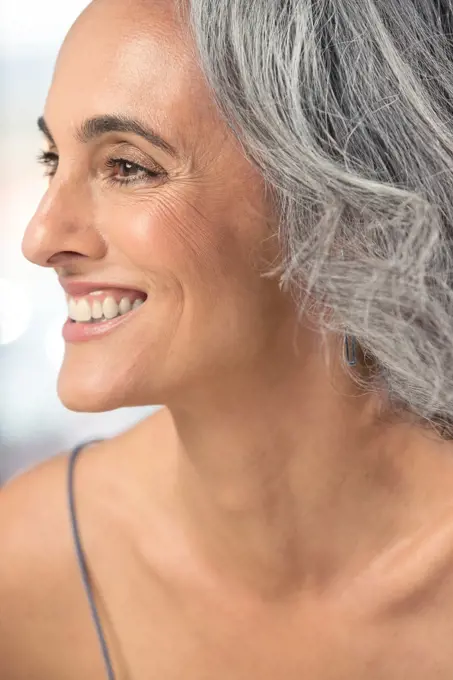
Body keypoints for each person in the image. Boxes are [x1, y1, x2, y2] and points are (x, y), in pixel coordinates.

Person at [2, 0, 453, 677]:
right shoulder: (25, 570)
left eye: (126, 166)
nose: (40, 238)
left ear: (334, 204)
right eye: (52, 158)